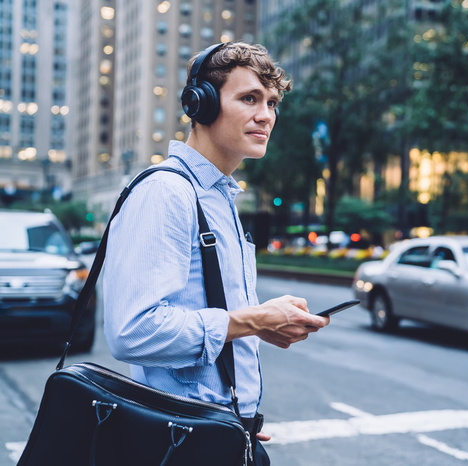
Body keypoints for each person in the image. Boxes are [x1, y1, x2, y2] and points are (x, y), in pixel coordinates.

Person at [103, 42, 329, 465]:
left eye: (272, 103)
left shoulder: (219, 198)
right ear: (200, 104)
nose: (266, 115)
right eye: (249, 99)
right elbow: (131, 330)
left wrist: (253, 333)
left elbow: (199, 311)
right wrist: (254, 319)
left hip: (221, 431)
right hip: (180, 442)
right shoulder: (166, 193)